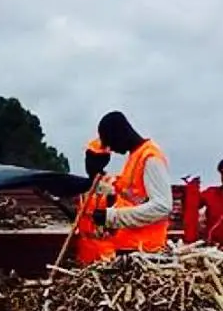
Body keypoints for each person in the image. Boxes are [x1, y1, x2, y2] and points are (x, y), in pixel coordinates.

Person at [91, 111, 173, 252]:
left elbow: (162, 207)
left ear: (119, 133)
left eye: (110, 142)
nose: (111, 149)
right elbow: (132, 201)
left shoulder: (150, 157)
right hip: (129, 246)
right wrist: (109, 216)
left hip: (146, 250)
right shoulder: (135, 157)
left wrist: (112, 217)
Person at [72, 139, 118, 266]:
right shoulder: (84, 187)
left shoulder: (111, 186)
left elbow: (116, 222)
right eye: (87, 157)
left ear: (103, 161)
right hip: (84, 252)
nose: (87, 162)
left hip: (103, 254)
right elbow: (80, 218)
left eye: (91, 158)